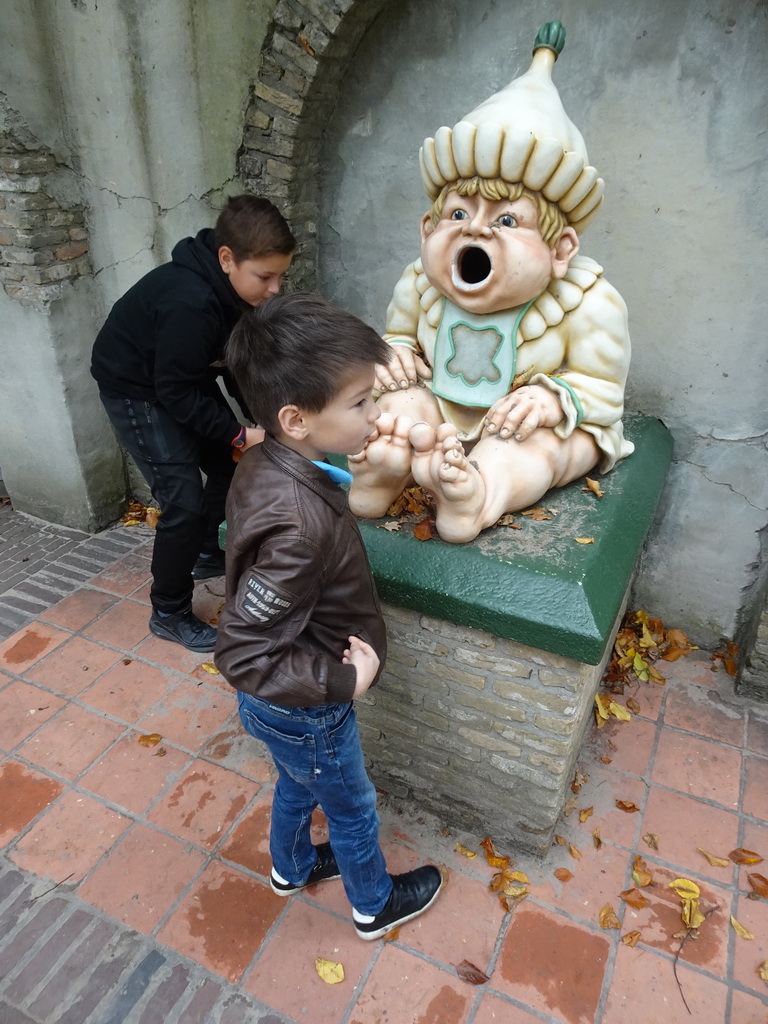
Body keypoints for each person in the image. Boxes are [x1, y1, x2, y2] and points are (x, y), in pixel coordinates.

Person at [347, 23, 633, 543]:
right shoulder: (420, 286)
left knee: (533, 449)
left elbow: (604, 389)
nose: (475, 229)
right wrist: (395, 351)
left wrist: (553, 401)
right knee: (399, 409)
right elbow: (397, 338)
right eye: (457, 213)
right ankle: (382, 471)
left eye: (507, 221)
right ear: (427, 230)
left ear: (560, 251)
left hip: (530, 424)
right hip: (443, 403)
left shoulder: (587, 304)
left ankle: (476, 494)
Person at [214, 293, 443, 940]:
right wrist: (343, 683)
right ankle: (373, 902)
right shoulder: (298, 525)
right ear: (297, 417)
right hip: (307, 706)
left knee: (299, 783)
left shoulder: (270, 458)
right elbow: (243, 653)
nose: (375, 414)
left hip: (285, 711)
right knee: (351, 805)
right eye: (360, 403)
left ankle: (288, 865)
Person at [91, 195, 295, 652]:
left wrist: (265, 421)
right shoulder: (191, 303)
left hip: (179, 375)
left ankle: (206, 551)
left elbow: (232, 366)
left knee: (229, 463)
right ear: (227, 259)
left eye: (281, 274)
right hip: (136, 388)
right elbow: (174, 391)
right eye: (266, 276)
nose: (276, 288)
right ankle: (168, 611)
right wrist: (241, 433)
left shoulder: (235, 296)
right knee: (181, 501)